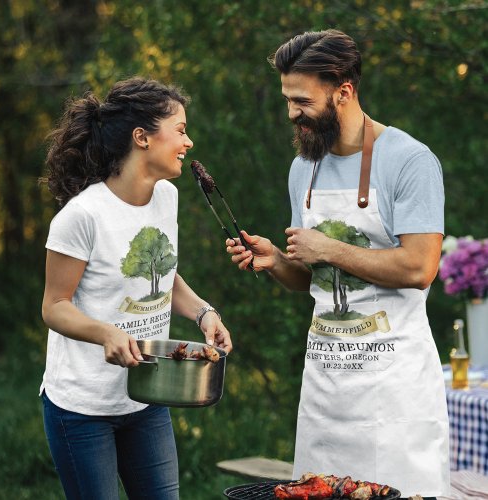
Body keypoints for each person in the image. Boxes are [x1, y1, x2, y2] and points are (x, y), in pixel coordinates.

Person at [227, 30, 449, 498]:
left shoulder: (410, 161)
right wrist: (276, 261)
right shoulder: (302, 167)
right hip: (326, 390)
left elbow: (419, 268)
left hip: (393, 394)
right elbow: (312, 280)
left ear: (343, 91)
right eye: (288, 99)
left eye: (302, 100)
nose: (292, 112)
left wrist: (328, 249)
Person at [40, 77, 232, 500]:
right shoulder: (82, 216)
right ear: (142, 137)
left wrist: (204, 312)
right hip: (83, 407)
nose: (189, 142)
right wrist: (106, 333)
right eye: (180, 130)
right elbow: (54, 306)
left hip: (146, 399)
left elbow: (164, 274)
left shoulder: (166, 196)